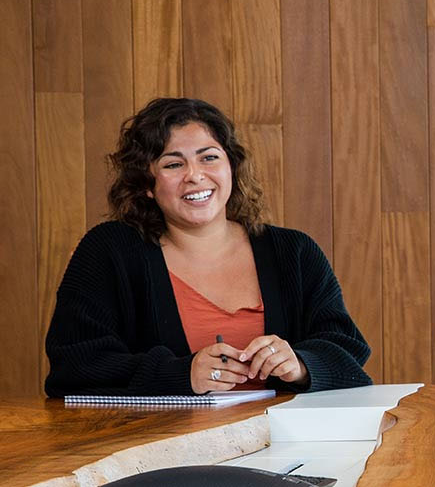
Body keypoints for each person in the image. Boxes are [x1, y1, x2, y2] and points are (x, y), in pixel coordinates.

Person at [44, 98, 372, 397]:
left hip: (291, 450)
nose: (195, 176)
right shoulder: (108, 251)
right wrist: (181, 375)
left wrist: (300, 365)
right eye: (173, 164)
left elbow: (347, 357)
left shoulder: (294, 252)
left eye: (209, 158)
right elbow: (73, 369)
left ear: (232, 167)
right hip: (156, 453)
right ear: (146, 184)